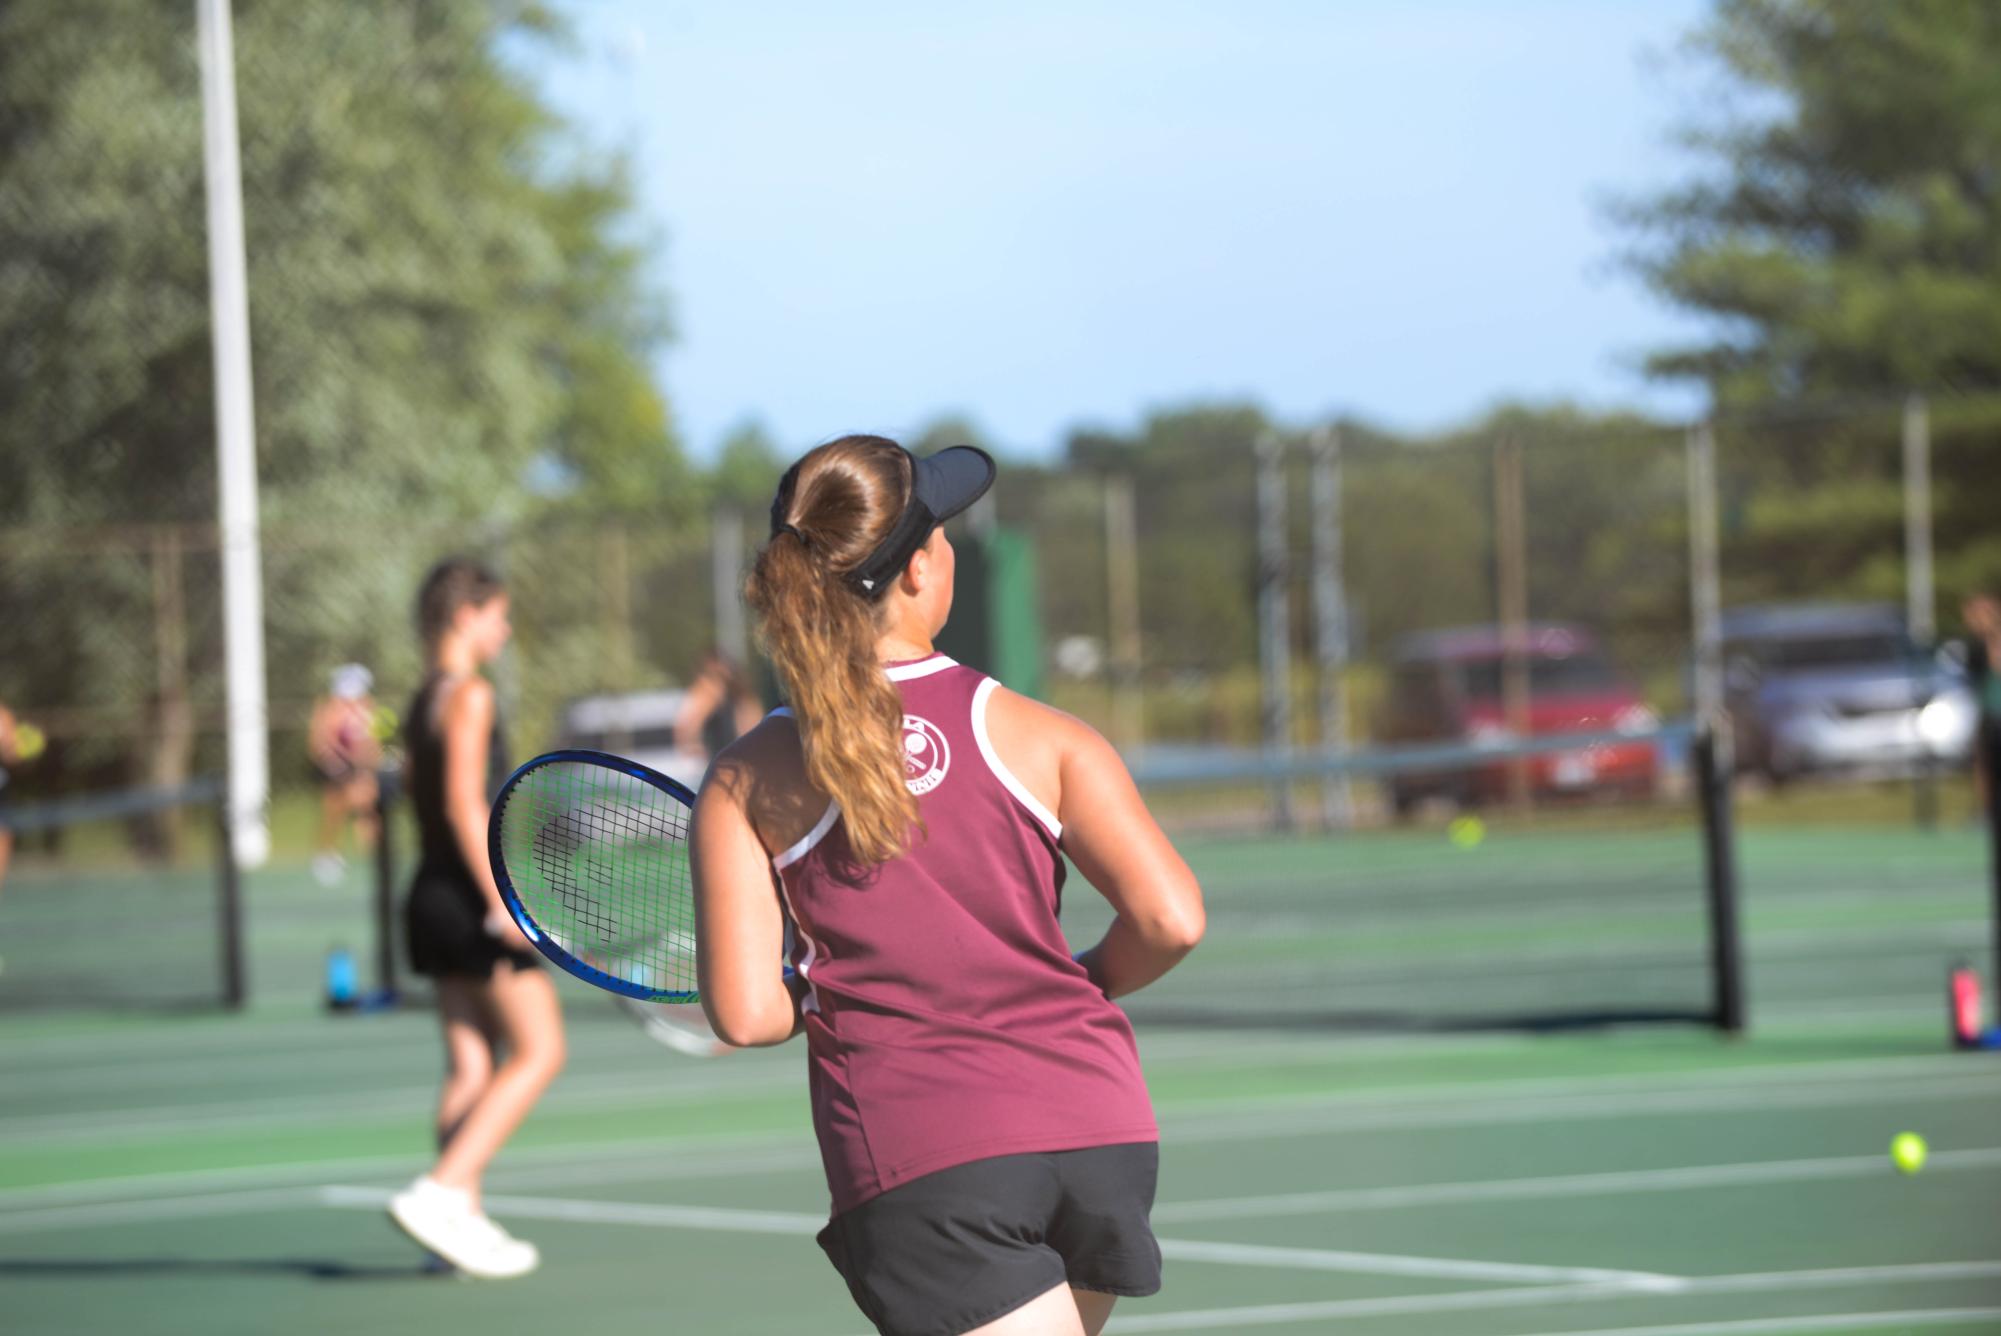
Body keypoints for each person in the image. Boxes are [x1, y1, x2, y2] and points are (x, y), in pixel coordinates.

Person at [692, 436, 1205, 1336]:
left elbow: (746, 1015)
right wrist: (1086, 979)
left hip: (925, 1155)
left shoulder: (747, 776)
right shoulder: (1045, 735)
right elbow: (1169, 919)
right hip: (1098, 1127)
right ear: (923, 569)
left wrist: (817, 979)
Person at [386, 558, 566, 1279]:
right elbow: (465, 802)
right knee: (540, 1050)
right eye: (497, 614)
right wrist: (501, 902)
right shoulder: (471, 695)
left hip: (428, 892)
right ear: (465, 614)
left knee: (468, 1061)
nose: (506, 627)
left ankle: (453, 1225)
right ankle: (440, 1193)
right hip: (466, 898)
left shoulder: (421, 697)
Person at [306, 663, 382, 886]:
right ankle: (327, 856)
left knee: (367, 808)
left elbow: (371, 742)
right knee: (334, 811)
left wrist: (368, 761)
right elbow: (320, 742)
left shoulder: (367, 708)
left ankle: (375, 859)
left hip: (360, 767)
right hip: (338, 769)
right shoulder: (329, 709)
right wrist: (335, 760)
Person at [672, 648, 765, 763]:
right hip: (713, 762)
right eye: (713, 675)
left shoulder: (740, 697)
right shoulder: (702, 696)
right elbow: (685, 731)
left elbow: (753, 727)